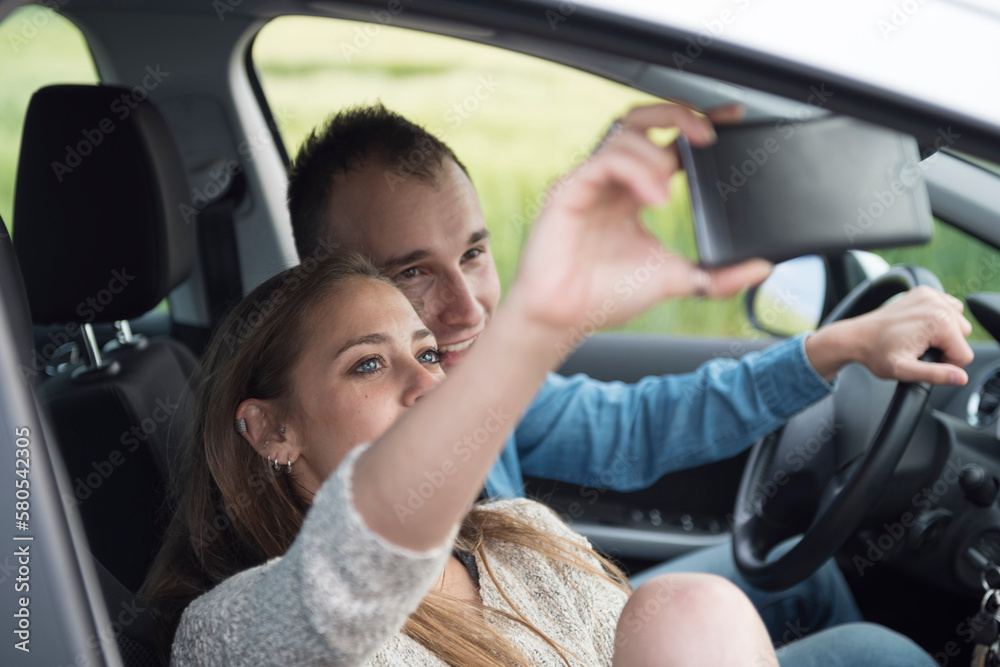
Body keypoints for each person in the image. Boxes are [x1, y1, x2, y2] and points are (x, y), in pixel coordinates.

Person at [284, 101, 972, 661]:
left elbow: (633, 428)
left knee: (806, 573)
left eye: (472, 253)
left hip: (552, 621)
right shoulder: (328, 493)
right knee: (878, 653)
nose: (467, 309)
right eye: (411, 272)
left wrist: (836, 348)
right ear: (331, 288)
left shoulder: (476, 394)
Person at [141, 156, 802, 663]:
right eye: (367, 364)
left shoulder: (523, 534)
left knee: (691, 606)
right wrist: (538, 323)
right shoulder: (228, 630)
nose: (427, 385)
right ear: (270, 430)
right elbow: (349, 576)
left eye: (426, 355)